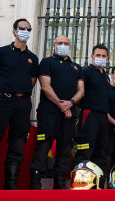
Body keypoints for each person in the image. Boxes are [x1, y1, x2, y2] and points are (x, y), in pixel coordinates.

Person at [0, 18, 39, 190]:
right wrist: (1, 89)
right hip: (2, 101)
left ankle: (10, 185)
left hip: (23, 103)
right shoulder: (1, 52)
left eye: (28, 28)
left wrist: (21, 91)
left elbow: (32, 80)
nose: (25, 31)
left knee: (18, 144)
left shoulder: (33, 58)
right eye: (22, 28)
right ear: (14, 31)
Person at [29, 35, 84, 190]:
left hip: (69, 113)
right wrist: (62, 105)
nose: (63, 45)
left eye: (66, 43)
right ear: (54, 45)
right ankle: (35, 180)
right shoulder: (47, 62)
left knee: (66, 147)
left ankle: (59, 181)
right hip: (49, 112)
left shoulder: (76, 67)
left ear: (70, 47)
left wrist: (71, 103)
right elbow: (45, 86)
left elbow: (81, 90)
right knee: (43, 145)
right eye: (60, 43)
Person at [72, 44, 111, 180]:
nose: (101, 58)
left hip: (103, 116)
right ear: (92, 57)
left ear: (107, 58)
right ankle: (78, 181)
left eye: (103, 56)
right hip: (89, 114)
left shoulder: (106, 77)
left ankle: (97, 183)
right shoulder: (85, 72)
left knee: (101, 152)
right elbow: (78, 94)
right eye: (98, 55)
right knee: (85, 149)